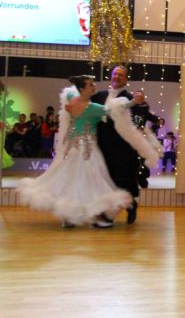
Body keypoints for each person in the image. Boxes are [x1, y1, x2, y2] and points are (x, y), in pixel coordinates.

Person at [16, 75, 137, 228]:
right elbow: (114, 109)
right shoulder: (92, 108)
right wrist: (134, 102)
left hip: (71, 147)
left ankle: (69, 215)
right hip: (88, 150)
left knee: (70, 180)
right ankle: (94, 215)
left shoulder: (71, 100)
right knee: (92, 182)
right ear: (82, 89)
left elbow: (69, 95)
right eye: (90, 84)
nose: (94, 86)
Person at [92, 66, 155, 225]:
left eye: (121, 75)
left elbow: (141, 111)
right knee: (104, 179)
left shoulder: (129, 97)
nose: (117, 77)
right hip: (101, 144)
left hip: (121, 148)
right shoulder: (99, 95)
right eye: (115, 74)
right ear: (111, 76)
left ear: (126, 79)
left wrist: (140, 102)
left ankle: (126, 207)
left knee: (121, 180)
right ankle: (106, 212)